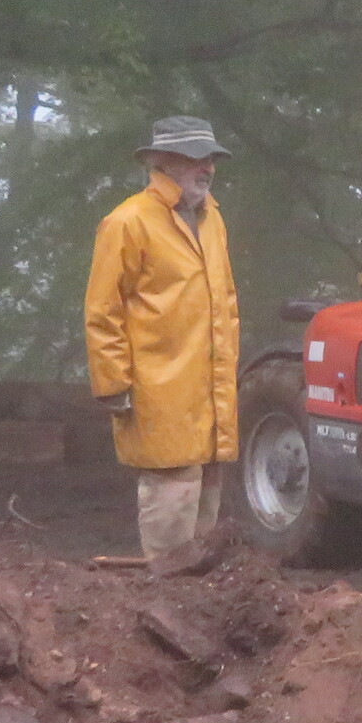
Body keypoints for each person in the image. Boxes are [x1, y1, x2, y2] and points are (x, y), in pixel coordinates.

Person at [84, 117, 241, 561]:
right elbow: (103, 310)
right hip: (157, 386)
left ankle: (197, 588)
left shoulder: (212, 219)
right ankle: (169, 586)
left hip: (210, 386)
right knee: (173, 483)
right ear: (162, 161)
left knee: (208, 480)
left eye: (211, 158)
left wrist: (227, 371)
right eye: (195, 158)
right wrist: (113, 383)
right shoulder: (127, 221)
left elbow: (226, 301)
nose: (207, 167)